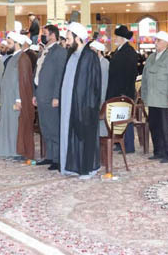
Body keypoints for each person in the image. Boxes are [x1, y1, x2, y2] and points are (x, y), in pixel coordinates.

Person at [60, 22, 102, 178]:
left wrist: (88, 107)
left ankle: (87, 168)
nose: (67, 41)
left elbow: (95, 85)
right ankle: (72, 167)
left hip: (84, 107)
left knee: (84, 137)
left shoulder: (90, 56)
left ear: (77, 38)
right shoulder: (71, 55)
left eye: (69, 38)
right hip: (69, 104)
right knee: (69, 135)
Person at [141, 31, 168, 163]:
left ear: (166, 43)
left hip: (165, 99)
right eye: (156, 40)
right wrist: (144, 96)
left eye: (158, 40)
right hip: (152, 99)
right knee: (154, 126)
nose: (156, 43)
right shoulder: (151, 58)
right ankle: (158, 151)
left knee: (165, 127)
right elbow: (145, 79)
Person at [33, 24, 67, 169]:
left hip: (51, 96)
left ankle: (58, 159)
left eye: (45, 33)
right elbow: (37, 73)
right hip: (41, 94)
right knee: (45, 128)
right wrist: (35, 94)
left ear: (52, 35)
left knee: (53, 128)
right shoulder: (44, 51)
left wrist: (56, 96)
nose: (42, 36)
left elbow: (60, 76)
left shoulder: (60, 52)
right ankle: (50, 156)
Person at [106, 25, 138, 153]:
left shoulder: (129, 52)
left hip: (124, 92)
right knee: (118, 118)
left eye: (117, 37)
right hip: (116, 90)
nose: (115, 39)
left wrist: (124, 93)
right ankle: (120, 142)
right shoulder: (120, 50)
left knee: (126, 118)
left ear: (122, 38)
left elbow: (130, 74)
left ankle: (129, 146)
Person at [0, 32, 27, 158]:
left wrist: (18, 99)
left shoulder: (22, 58)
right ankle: (8, 150)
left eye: (10, 43)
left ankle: (16, 151)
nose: (7, 46)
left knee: (14, 125)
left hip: (14, 98)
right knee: (8, 124)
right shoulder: (13, 58)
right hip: (8, 97)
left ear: (16, 44)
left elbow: (21, 81)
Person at [17, 35, 35, 161]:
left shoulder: (26, 56)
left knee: (26, 123)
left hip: (27, 93)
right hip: (26, 93)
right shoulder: (22, 56)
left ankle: (27, 151)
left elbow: (26, 77)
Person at [90, 40, 110, 138]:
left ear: (98, 51)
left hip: (101, 97)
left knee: (101, 119)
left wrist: (101, 100)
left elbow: (104, 84)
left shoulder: (104, 63)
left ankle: (102, 138)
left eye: (92, 50)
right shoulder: (96, 63)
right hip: (95, 97)